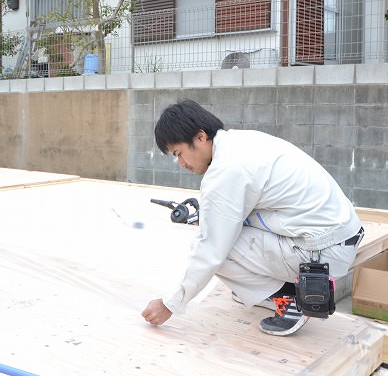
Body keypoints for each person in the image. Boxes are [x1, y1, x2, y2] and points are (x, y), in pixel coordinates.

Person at [141, 100, 363, 336]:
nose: (181, 163)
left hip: (323, 252)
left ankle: (291, 300)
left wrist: (170, 303)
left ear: (200, 137)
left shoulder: (226, 171)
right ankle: (268, 291)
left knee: (218, 249)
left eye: (179, 153)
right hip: (339, 234)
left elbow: (210, 249)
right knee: (224, 235)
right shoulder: (240, 141)